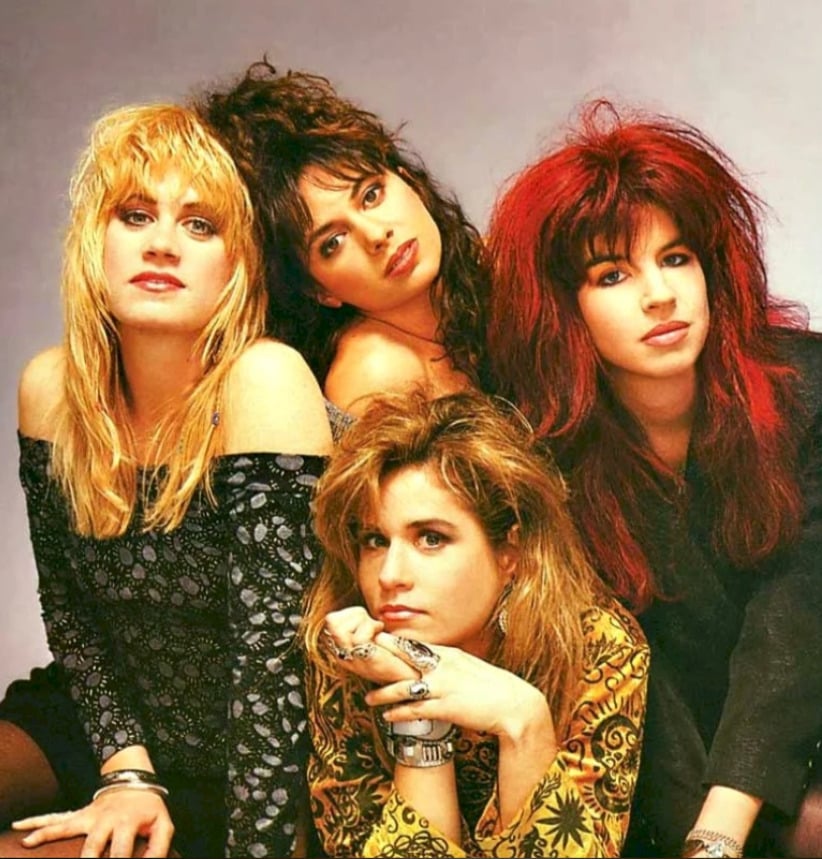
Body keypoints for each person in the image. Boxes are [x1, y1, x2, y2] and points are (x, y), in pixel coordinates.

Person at [484, 99, 822, 857]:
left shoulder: (810, 392)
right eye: (613, 273)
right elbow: (642, 683)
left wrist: (721, 831)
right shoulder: (548, 461)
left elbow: (798, 619)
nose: (660, 294)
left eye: (676, 258)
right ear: (562, 310)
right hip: (668, 780)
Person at [0, 103, 332, 858]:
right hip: (108, 724)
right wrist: (125, 774)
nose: (161, 244)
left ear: (236, 265)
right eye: (136, 214)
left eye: (198, 225)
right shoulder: (51, 388)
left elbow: (274, 675)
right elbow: (71, 612)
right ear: (96, 243)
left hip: (253, 760)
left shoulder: (264, 380)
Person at [301, 388, 650, 857]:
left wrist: (524, 723)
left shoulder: (596, 646)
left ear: (510, 551)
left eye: (430, 538)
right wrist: (419, 721)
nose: (389, 576)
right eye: (374, 541)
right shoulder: (349, 652)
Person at [195, 59, 490, 417]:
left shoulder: (485, 287)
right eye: (332, 242)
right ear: (318, 290)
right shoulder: (374, 373)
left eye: (371, 195)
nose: (376, 235)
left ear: (409, 181)